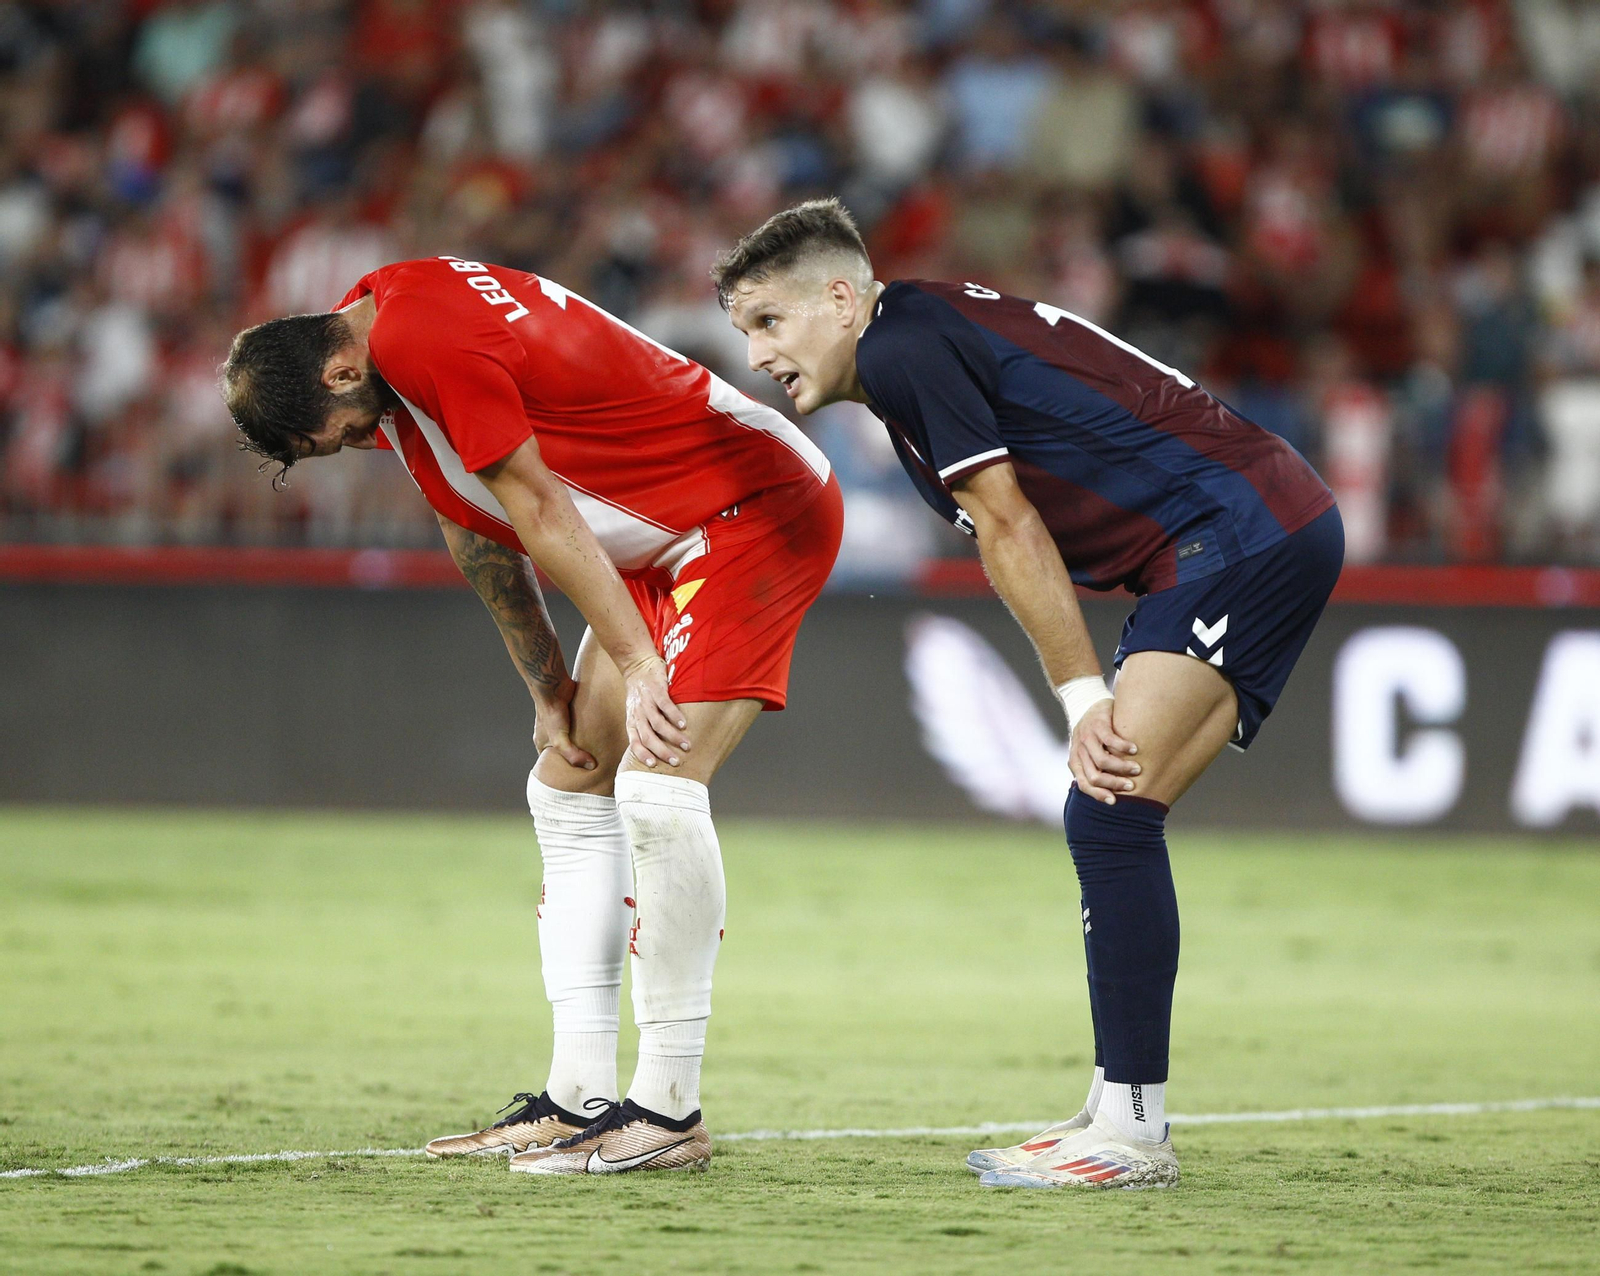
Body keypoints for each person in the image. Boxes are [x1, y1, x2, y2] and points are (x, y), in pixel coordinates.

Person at [714, 200, 1342, 1190]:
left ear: (840, 299)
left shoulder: (905, 350)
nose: (755, 354)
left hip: (1234, 530)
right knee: (1111, 817)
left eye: (767, 322)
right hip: (1242, 522)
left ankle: (1132, 1130)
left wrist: (1080, 695)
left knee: (1109, 810)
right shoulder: (912, 335)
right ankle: (1115, 1107)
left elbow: (1010, 528)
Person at [219, 255, 843, 1176]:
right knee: (569, 782)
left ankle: (669, 1111)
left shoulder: (418, 336)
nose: (353, 446)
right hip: (660, 544)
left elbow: (539, 502)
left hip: (750, 510)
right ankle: (579, 1098)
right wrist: (547, 686)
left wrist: (637, 666)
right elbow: (477, 528)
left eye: (333, 438)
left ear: (338, 370)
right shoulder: (386, 339)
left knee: (660, 789)